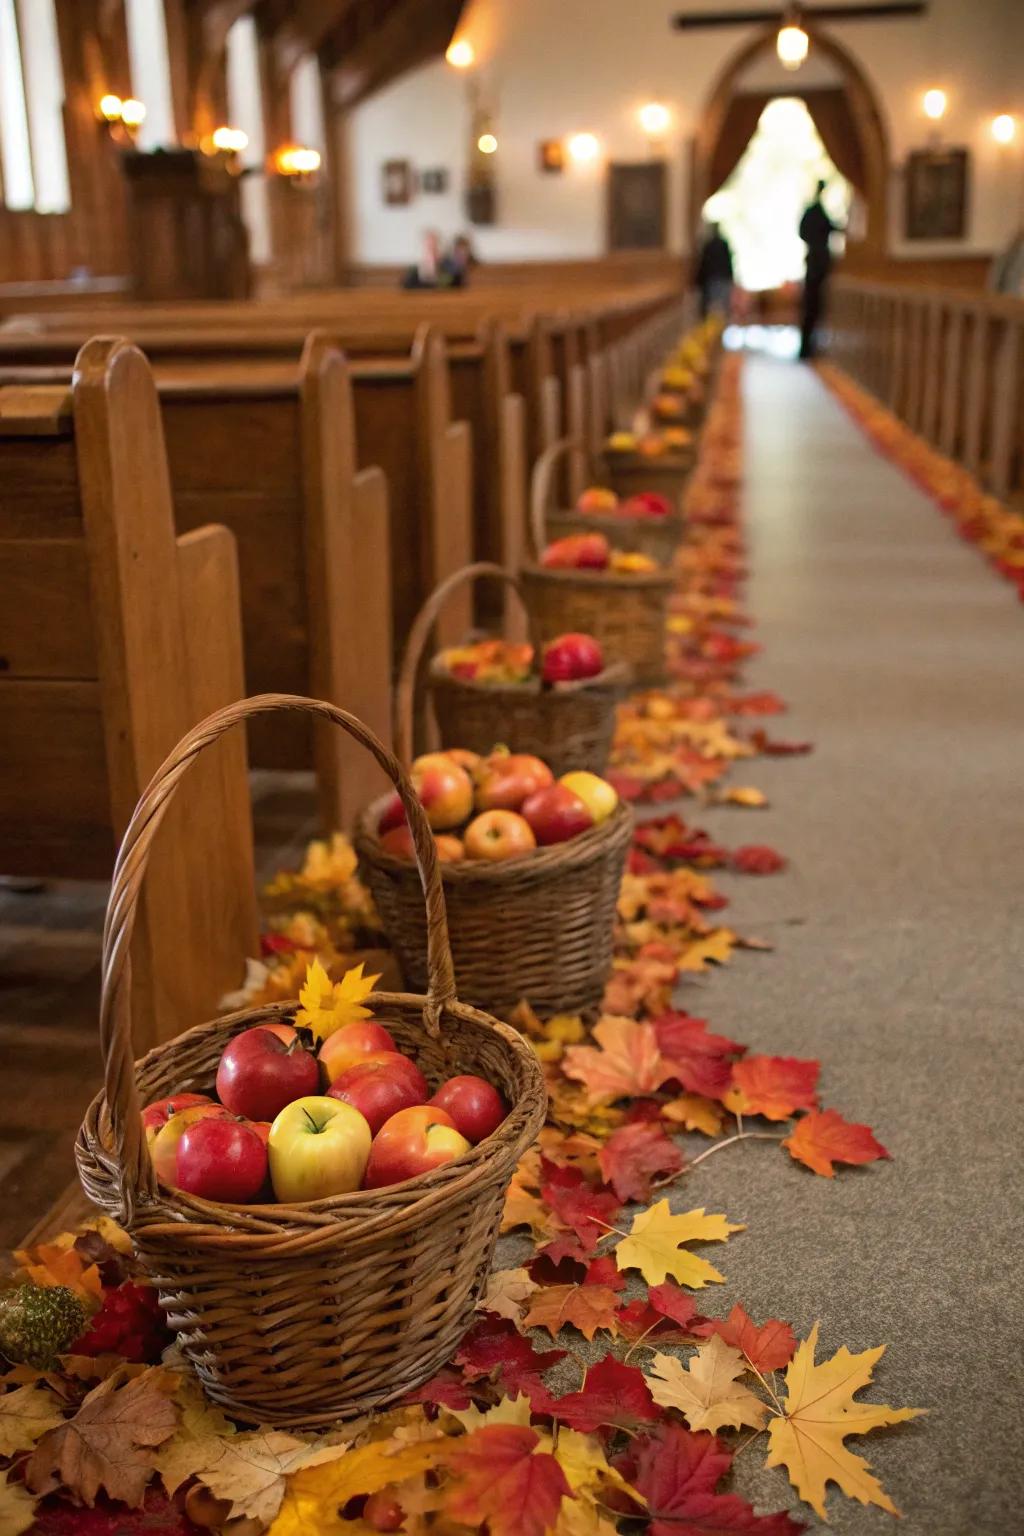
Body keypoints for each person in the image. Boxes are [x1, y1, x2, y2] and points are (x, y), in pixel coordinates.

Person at [798, 179, 839, 359]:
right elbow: (803, 232)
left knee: (816, 307)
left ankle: (811, 347)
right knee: (811, 307)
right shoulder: (814, 211)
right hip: (815, 262)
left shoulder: (819, 211)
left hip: (819, 262)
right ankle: (806, 348)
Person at [695, 224, 734, 318]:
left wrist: (699, 282)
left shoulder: (708, 245)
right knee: (721, 309)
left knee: (714, 309)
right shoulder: (723, 244)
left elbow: (704, 265)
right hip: (720, 281)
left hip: (713, 281)